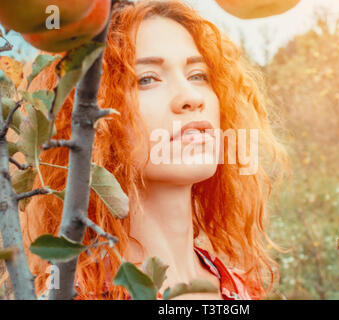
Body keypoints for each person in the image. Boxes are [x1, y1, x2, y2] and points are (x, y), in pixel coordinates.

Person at [21, 0, 288, 300]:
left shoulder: (242, 289)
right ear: (87, 119)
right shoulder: (77, 295)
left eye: (198, 75)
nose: (190, 97)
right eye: (147, 79)